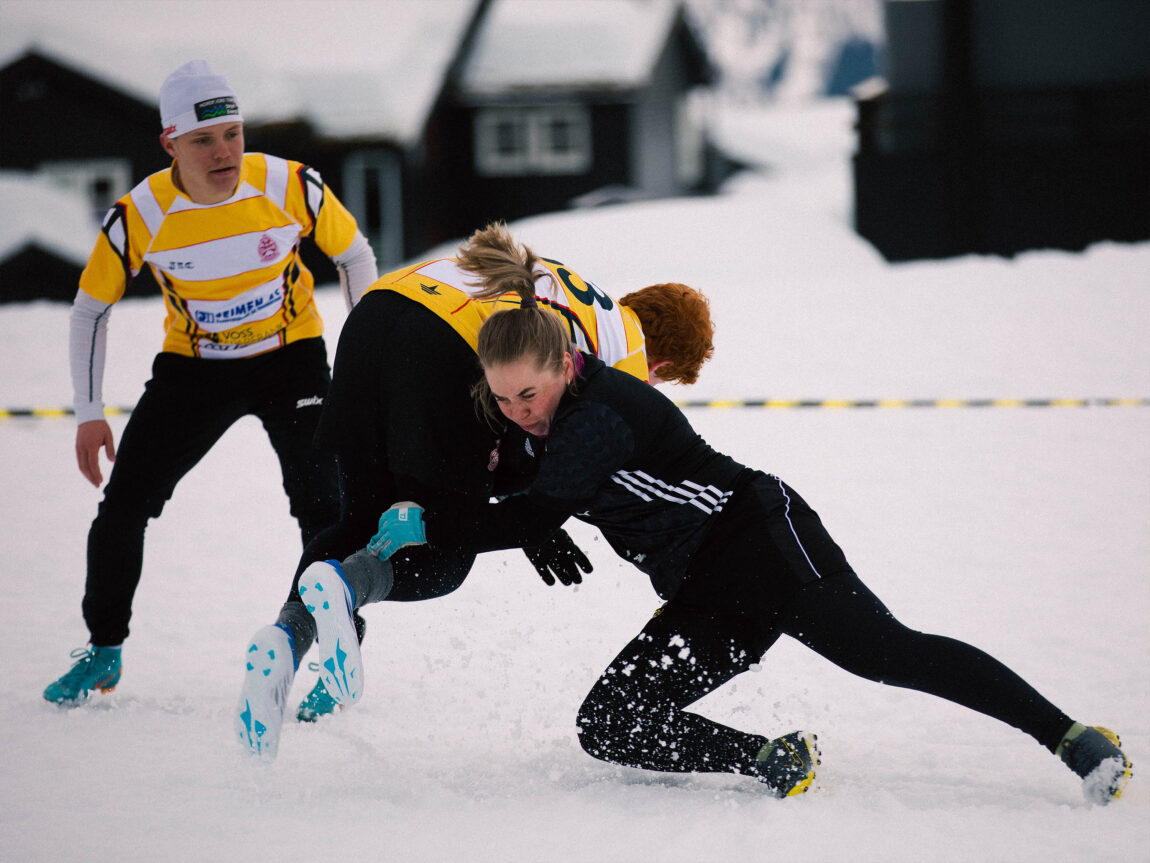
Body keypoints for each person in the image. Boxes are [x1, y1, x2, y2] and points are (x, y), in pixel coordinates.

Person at [334, 278, 1134, 805]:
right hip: (704, 588)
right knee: (610, 720)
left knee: (888, 652)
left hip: (760, 537)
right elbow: (522, 493)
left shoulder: (597, 413)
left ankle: (1071, 737)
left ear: (566, 365)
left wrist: (445, 522)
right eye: (502, 398)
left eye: (529, 394)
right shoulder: (540, 420)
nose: (518, 411)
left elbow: (522, 511)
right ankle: (769, 758)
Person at [234, 222, 715, 756]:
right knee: (443, 553)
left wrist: (525, 504)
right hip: (446, 345)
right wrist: (534, 516)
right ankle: (346, 593)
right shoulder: (623, 355)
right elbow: (567, 453)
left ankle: (286, 636)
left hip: (378, 310)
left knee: (358, 523)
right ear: (662, 365)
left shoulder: (585, 297)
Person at [44, 60, 378, 705]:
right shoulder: (140, 212)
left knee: (326, 511)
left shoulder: (286, 184)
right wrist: (88, 411)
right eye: (203, 141)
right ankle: (103, 649)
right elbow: (90, 308)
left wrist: (361, 366)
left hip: (293, 357)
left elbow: (354, 254)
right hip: (195, 371)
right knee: (122, 511)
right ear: (170, 144)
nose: (224, 152)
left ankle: (334, 660)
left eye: (232, 133)